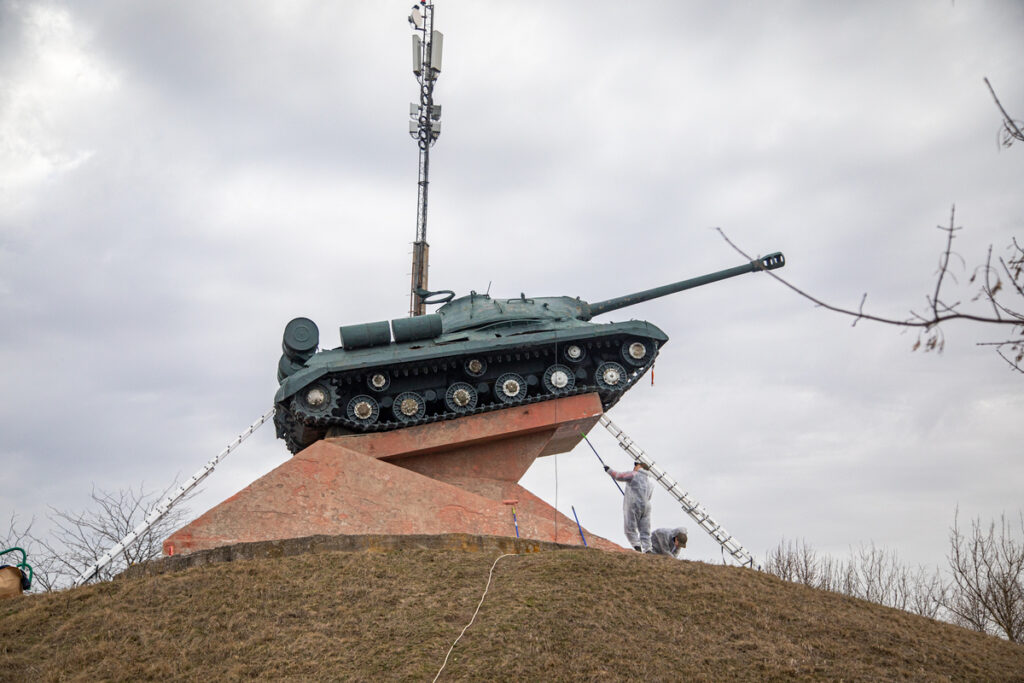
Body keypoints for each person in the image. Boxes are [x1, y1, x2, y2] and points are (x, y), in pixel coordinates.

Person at [604, 461, 654, 553]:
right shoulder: (650, 482)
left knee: (630, 526)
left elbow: (619, 476)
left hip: (634, 504)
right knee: (645, 528)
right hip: (646, 507)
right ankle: (648, 549)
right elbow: (649, 496)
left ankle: (637, 546)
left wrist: (609, 470)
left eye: (636, 465)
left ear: (640, 467)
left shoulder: (634, 474)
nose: (634, 467)